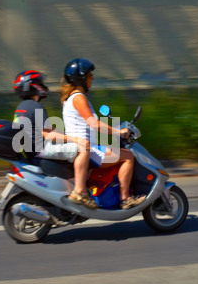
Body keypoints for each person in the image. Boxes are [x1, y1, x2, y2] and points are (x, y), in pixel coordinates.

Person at [60, 58, 146, 210]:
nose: (92, 79)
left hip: (83, 146)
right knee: (128, 157)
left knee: (115, 152)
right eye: (89, 76)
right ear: (81, 78)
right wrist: (119, 132)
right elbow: (94, 123)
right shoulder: (79, 98)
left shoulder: (70, 97)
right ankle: (126, 199)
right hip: (87, 148)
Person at [13, 70, 88, 161]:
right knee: (84, 149)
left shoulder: (21, 107)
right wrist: (76, 139)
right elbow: (48, 134)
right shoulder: (36, 106)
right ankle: (81, 176)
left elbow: (47, 129)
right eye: (40, 83)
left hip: (31, 151)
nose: (43, 86)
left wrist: (66, 136)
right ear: (33, 85)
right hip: (42, 150)